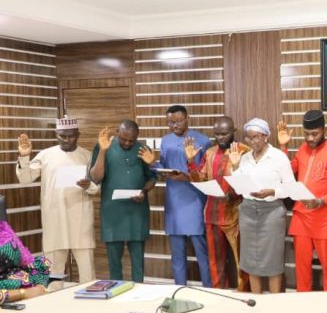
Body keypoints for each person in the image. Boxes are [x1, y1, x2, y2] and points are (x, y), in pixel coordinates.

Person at [16, 116, 98, 284]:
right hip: (54, 219)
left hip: (80, 220)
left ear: (78, 134)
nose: (66, 139)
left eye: (71, 135)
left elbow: (96, 188)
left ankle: (91, 299)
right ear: (56, 134)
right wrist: (24, 157)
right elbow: (25, 179)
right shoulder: (45, 155)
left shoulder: (87, 156)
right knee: (53, 274)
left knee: (87, 273)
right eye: (62, 135)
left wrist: (88, 185)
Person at [140, 105, 211, 287]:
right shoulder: (166, 141)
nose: (174, 126)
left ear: (188, 119)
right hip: (173, 201)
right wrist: (153, 163)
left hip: (195, 199)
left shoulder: (203, 141)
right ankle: (180, 289)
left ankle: (210, 290)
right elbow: (164, 170)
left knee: (202, 253)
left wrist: (187, 177)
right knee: (177, 254)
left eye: (178, 121)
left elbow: (208, 175)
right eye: (170, 122)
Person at [277, 110, 327, 291]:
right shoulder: (302, 149)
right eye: (306, 134)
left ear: (324, 130)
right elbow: (286, 173)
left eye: (315, 134)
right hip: (301, 216)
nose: (310, 138)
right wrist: (284, 147)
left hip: (324, 217)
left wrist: (321, 201)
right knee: (302, 268)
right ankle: (302, 303)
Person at [231, 119, 295, 294]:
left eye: (255, 137)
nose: (251, 141)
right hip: (248, 211)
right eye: (248, 137)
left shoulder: (278, 157)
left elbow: (290, 187)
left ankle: (274, 302)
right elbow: (238, 187)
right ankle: (256, 299)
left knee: (272, 260)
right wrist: (235, 166)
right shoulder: (244, 158)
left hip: (272, 212)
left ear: (265, 136)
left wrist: (272, 191)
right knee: (251, 259)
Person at [185, 116, 249, 290]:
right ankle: (219, 293)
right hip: (212, 214)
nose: (220, 138)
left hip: (236, 214)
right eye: (217, 134)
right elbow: (199, 179)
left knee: (242, 261)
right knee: (215, 261)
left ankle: (245, 294)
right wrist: (190, 161)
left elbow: (249, 183)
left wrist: (234, 192)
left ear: (233, 132)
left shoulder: (245, 151)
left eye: (224, 134)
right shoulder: (209, 153)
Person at [90, 121, 157, 282]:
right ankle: (116, 291)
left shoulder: (143, 150)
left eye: (131, 140)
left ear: (137, 137)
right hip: (113, 213)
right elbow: (95, 178)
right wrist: (103, 151)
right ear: (117, 132)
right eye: (123, 139)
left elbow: (152, 178)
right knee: (114, 264)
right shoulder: (103, 146)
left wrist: (144, 191)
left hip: (137, 212)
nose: (127, 143)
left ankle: (138, 292)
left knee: (138, 264)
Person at [0, 221, 49, 305]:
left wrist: (39, 287)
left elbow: (27, 260)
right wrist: (24, 293)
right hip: (9, 300)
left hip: (30, 292)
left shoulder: (4, 228)